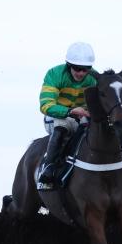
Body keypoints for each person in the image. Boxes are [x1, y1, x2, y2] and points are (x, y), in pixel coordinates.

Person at [37, 42, 97, 184]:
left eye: (86, 69)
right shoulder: (54, 74)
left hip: (82, 118)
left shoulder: (94, 78)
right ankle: (49, 167)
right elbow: (46, 105)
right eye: (77, 69)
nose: (81, 73)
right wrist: (70, 111)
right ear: (69, 65)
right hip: (57, 116)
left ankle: (119, 162)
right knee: (62, 127)